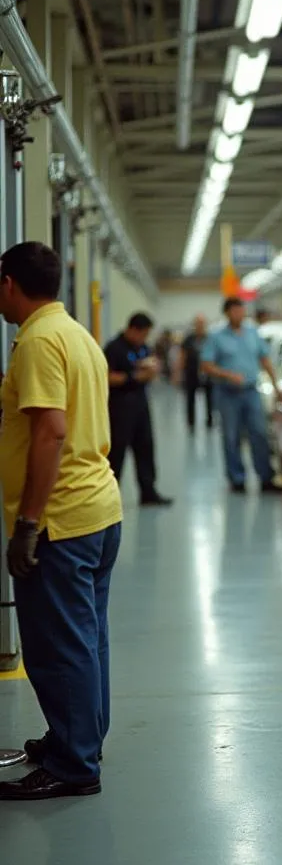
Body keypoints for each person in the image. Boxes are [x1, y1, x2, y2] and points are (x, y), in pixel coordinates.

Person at [0, 242, 123, 800]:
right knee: (87, 636)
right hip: (98, 509)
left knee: (59, 645)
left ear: (9, 283)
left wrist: (28, 522)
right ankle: (78, 741)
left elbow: (51, 430)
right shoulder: (76, 335)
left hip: (61, 521)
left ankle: (74, 766)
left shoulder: (38, 341)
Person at [201, 297, 282, 494]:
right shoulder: (216, 336)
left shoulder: (253, 332)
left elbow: (264, 359)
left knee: (260, 433)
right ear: (227, 313)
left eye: (242, 310)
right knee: (231, 437)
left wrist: (276, 385)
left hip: (251, 392)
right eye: (235, 310)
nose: (240, 314)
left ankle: (266, 478)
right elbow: (206, 365)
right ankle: (237, 478)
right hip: (227, 394)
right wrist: (228, 375)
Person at [104, 313, 172, 506]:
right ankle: (109, 496)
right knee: (117, 452)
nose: (145, 339)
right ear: (133, 329)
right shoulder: (114, 348)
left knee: (145, 448)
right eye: (143, 334)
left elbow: (148, 364)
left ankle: (148, 492)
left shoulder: (142, 348)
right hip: (120, 408)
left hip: (141, 405)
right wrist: (133, 377)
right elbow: (107, 376)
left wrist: (151, 372)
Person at [180, 314, 214, 431]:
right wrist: (178, 373)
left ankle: (209, 421)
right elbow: (182, 356)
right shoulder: (188, 339)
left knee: (209, 399)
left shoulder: (210, 339)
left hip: (208, 374)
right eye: (197, 324)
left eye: (202, 324)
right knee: (190, 399)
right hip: (191, 373)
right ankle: (191, 423)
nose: (200, 326)